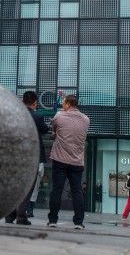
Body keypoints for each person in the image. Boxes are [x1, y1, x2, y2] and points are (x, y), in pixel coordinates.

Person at [46, 94, 90, 229]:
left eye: (64, 103)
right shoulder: (86, 119)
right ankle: (78, 222)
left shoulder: (59, 116)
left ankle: (53, 220)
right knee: (77, 191)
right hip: (77, 161)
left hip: (60, 159)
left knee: (56, 190)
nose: (62, 106)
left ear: (68, 104)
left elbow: (54, 131)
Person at [5, 91, 48, 225]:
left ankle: (9, 216)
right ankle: (21, 216)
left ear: (23, 101)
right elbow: (45, 130)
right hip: (32, 155)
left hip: (16, 154)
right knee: (28, 186)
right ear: (35, 102)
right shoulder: (38, 116)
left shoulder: (14, 114)